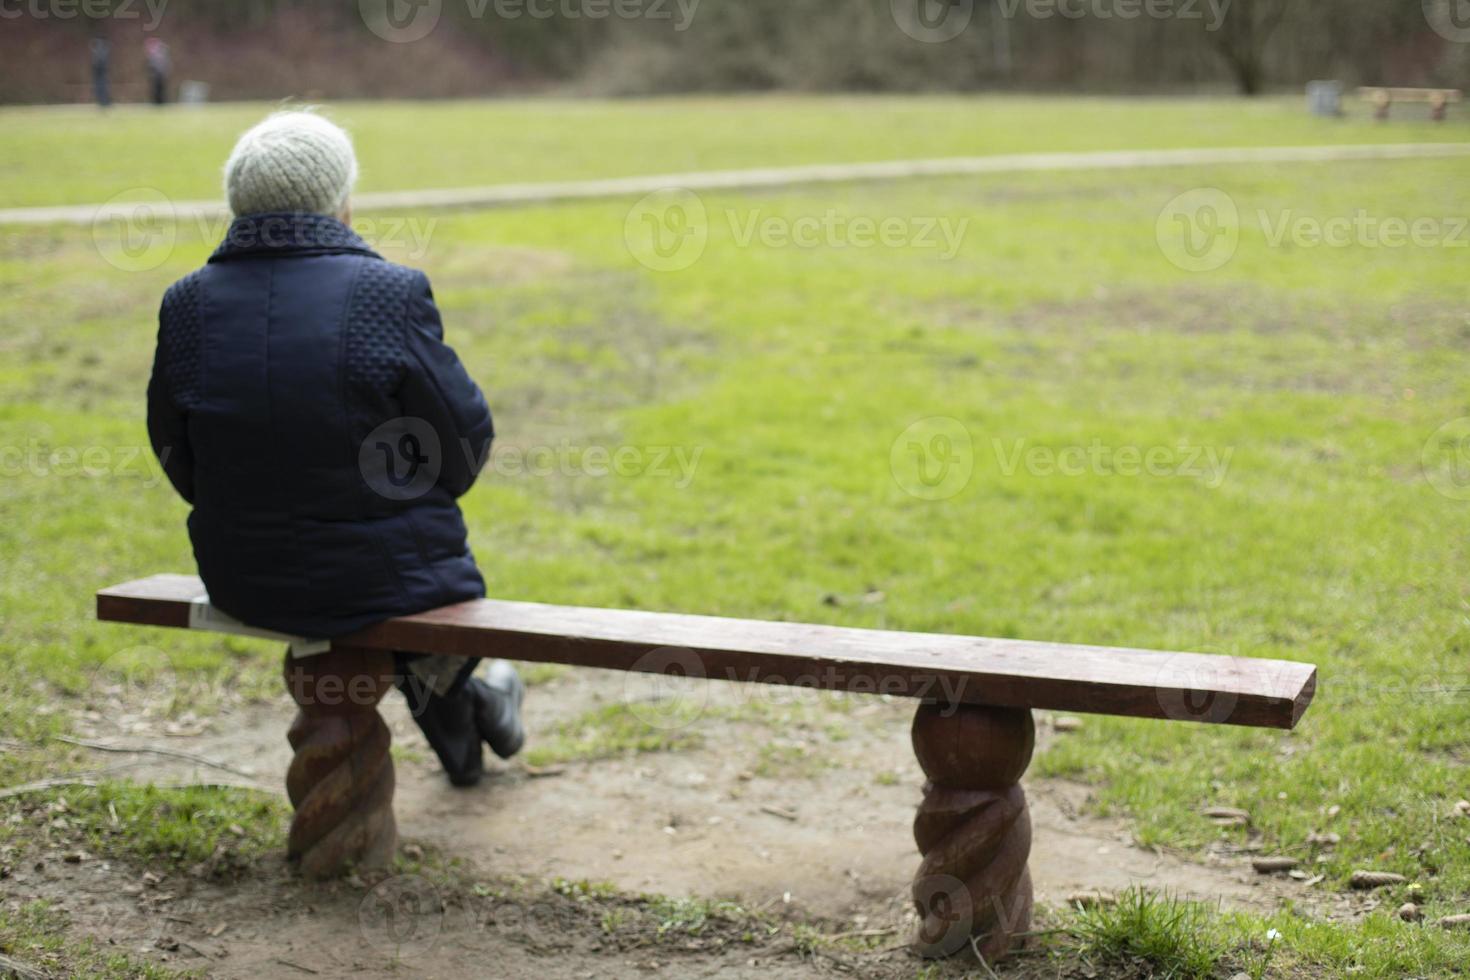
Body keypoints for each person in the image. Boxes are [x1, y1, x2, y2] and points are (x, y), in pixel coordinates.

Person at [146, 110, 524, 787]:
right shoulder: (388, 292)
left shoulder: (186, 303)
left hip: (243, 575)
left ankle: (472, 728)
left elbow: (175, 450)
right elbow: (464, 442)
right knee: (400, 596)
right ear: (340, 200)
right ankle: (480, 706)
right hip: (386, 574)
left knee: (384, 593)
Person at [144, 37, 169, 105]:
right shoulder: (156, 53)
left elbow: (163, 64)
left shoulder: (160, 53)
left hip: (159, 75)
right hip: (156, 75)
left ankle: (161, 102)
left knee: (160, 90)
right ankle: (157, 102)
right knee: (156, 90)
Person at [90, 34, 111, 109]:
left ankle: (104, 102)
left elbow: (99, 63)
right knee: (101, 88)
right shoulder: (102, 51)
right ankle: (103, 102)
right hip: (100, 73)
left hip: (100, 73)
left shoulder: (100, 51)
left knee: (102, 88)